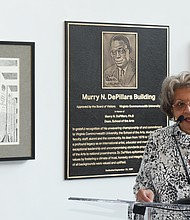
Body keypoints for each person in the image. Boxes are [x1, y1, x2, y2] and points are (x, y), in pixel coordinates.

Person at [134, 71, 190, 206]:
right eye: (180, 104)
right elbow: (142, 183)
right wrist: (146, 193)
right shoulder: (157, 140)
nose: (188, 110)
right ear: (171, 110)